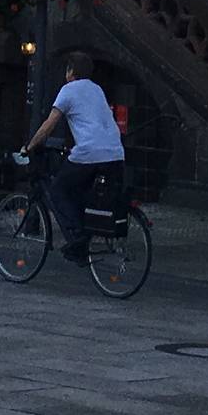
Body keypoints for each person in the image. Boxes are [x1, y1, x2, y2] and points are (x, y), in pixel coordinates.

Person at [20, 51, 126, 265]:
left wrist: (30, 146)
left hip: (90, 152)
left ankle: (78, 237)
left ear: (70, 71)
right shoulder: (97, 89)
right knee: (82, 191)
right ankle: (84, 235)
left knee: (59, 189)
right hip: (115, 152)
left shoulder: (68, 90)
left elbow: (50, 124)